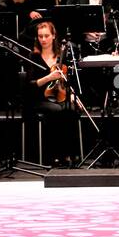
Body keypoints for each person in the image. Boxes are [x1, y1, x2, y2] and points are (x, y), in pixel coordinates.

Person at [23, 20, 76, 166]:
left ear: (53, 36)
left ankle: (69, 153)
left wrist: (71, 94)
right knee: (57, 110)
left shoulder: (62, 56)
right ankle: (54, 155)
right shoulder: (33, 57)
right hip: (38, 99)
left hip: (59, 95)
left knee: (71, 109)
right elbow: (30, 84)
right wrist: (48, 77)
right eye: (40, 36)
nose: (43, 39)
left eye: (46, 36)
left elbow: (68, 81)